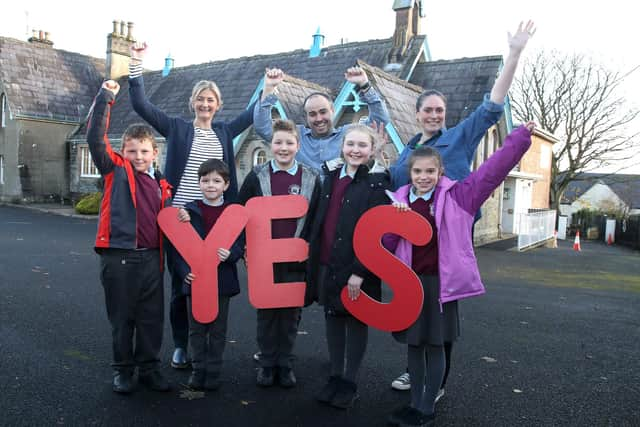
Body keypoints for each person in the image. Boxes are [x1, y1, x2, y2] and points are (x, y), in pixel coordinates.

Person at [389, 20, 536, 394]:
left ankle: (438, 379)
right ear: (417, 112)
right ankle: (416, 369)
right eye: (429, 110)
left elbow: (493, 105)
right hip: (412, 235)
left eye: (440, 110)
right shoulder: (407, 152)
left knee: (442, 302)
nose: (435, 115)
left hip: (450, 229)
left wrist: (515, 53)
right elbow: (392, 187)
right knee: (413, 298)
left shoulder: (459, 137)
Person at [384, 122, 535, 426]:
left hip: (441, 285)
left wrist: (519, 138)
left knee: (436, 345)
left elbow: (492, 171)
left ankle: (427, 407)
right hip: (409, 285)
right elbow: (387, 245)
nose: (424, 177)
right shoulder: (398, 200)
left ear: (440, 173)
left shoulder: (459, 197)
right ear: (409, 174)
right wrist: (394, 223)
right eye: (418, 172)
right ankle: (414, 404)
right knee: (414, 345)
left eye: (430, 171)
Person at [128, 42, 258, 369]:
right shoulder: (177, 128)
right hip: (181, 219)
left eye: (210, 100)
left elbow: (253, 113)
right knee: (181, 281)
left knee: (214, 281)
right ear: (192, 103)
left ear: (218, 105)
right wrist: (136, 63)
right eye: (200, 99)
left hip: (214, 219)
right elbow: (141, 104)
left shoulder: (226, 131)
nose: (205, 103)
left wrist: (269, 89)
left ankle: (210, 348)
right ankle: (182, 345)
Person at [87, 80, 173, 394]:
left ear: (154, 152)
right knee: (122, 318)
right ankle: (123, 370)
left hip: (152, 258)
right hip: (119, 257)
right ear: (123, 152)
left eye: (144, 151)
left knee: (151, 319)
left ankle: (149, 369)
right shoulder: (116, 171)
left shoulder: (163, 184)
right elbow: (95, 139)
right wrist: (106, 97)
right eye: (132, 151)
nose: (139, 156)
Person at [309, 124, 390, 409]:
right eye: (351, 144)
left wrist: (359, 271)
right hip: (328, 262)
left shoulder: (378, 183)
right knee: (332, 318)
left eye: (362, 145)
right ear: (342, 146)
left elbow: (378, 233)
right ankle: (334, 375)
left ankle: (349, 382)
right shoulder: (330, 176)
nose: (355, 150)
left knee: (356, 322)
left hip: (357, 269)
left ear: (371, 150)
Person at [237, 119, 321, 388]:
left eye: (289, 142)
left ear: (298, 145)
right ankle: (267, 364)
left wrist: (307, 249)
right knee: (267, 314)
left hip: (295, 256)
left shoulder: (310, 177)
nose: (283, 147)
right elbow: (240, 214)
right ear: (270, 145)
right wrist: (245, 249)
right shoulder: (257, 176)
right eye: (278, 142)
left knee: (290, 315)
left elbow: (316, 217)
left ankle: (285, 364)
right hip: (265, 257)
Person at [173, 159, 244, 391]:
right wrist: (184, 272)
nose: (210, 185)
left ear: (226, 185)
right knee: (196, 329)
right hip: (196, 279)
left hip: (221, 280)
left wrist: (231, 254)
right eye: (205, 180)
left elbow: (241, 243)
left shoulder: (233, 212)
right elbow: (178, 247)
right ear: (199, 183)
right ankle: (198, 369)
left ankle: (213, 371)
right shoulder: (189, 211)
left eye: (216, 181)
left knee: (217, 329)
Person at [253, 66, 391, 172]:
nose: (319, 118)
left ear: (332, 111)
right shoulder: (295, 135)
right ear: (306, 117)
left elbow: (380, 119)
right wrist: (268, 89)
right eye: (312, 114)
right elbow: (262, 128)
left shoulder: (348, 135)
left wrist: (365, 85)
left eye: (323, 112)